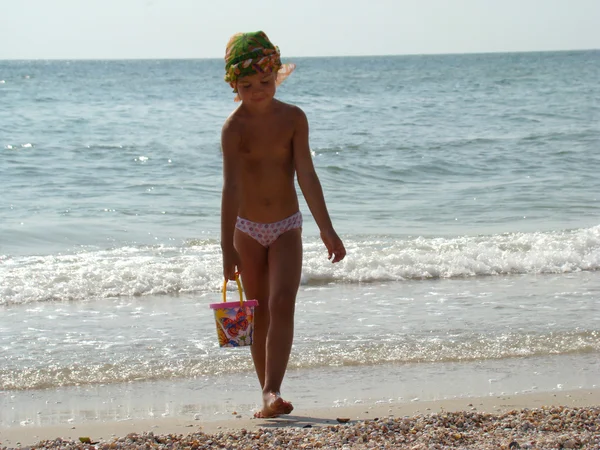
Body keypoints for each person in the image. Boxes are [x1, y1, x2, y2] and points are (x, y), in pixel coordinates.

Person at [220, 31, 346, 419]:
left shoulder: (293, 118)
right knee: (258, 311)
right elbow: (231, 187)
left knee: (282, 303)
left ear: (276, 75)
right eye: (247, 85)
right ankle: (266, 394)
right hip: (248, 231)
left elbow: (306, 173)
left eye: (265, 82)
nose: (258, 91)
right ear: (234, 86)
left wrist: (326, 227)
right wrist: (226, 245)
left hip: (288, 225)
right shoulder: (233, 128)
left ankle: (274, 388)